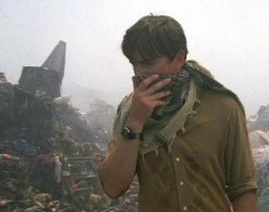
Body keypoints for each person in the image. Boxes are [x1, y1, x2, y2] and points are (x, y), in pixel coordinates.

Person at [99, 14, 257, 212]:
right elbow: (113, 187)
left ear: (179, 59)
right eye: (134, 64)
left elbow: (243, 187)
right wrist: (135, 122)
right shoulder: (131, 109)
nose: (139, 73)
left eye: (148, 63)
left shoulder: (223, 106)